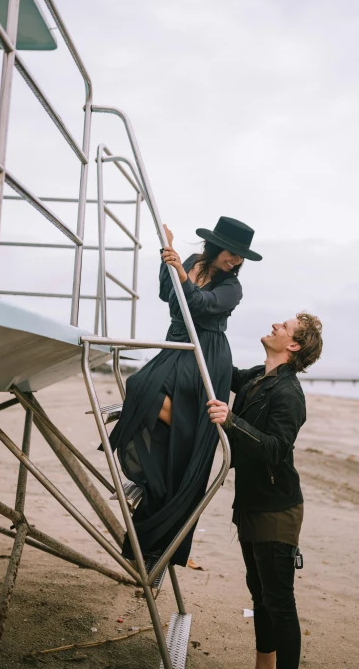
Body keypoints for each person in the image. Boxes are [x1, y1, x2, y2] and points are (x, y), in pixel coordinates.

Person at [108, 216, 262, 565]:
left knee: (143, 390)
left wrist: (180, 273)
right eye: (233, 253)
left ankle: (184, 436)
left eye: (241, 257)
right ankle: (161, 476)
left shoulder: (233, 288)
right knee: (140, 390)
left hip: (205, 355)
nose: (236, 261)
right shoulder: (193, 262)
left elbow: (200, 305)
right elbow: (168, 294)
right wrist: (169, 252)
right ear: (215, 245)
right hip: (176, 345)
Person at [207, 312, 323, 669]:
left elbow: (276, 448)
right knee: (259, 595)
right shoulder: (258, 377)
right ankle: (264, 665)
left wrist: (231, 420)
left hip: (277, 508)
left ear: (293, 345)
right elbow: (219, 366)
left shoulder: (289, 392)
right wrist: (210, 320)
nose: (275, 324)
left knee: (279, 603)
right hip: (252, 502)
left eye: (284, 326)